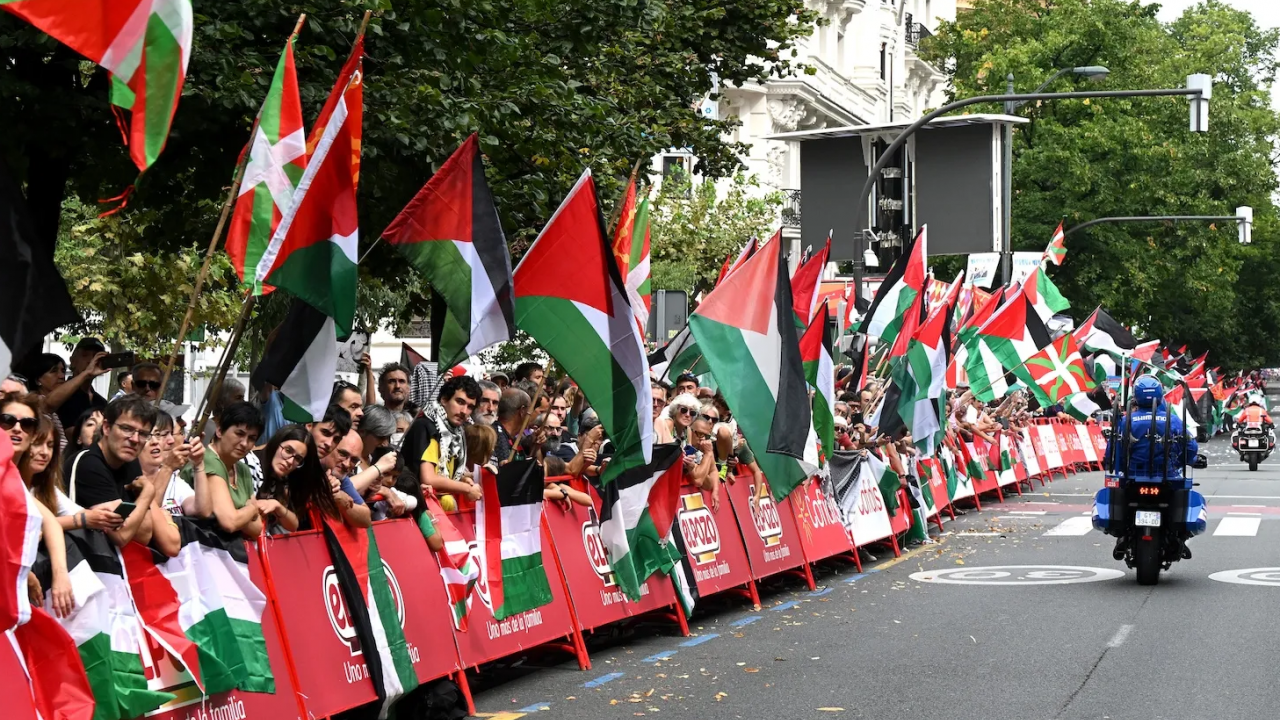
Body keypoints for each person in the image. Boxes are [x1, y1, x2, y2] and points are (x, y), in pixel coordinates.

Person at [1106, 375, 1199, 558]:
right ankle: (1179, 538)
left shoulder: (1126, 420)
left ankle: (1124, 536)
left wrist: (1112, 463)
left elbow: (1113, 450)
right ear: (1160, 395)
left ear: (1136, 397)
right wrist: (1189, 460)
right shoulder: (1173, 420)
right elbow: (1190, 446)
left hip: (1132, 476)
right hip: (1167, 476)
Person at [4, 394, 75, 618]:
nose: (17, 429)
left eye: (27, 424)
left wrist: (61, 575)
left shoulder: (14, 480)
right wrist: (22, 572)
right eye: (7, 421)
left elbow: (51, 522)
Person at [64, 395, 158, 546]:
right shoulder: (88, 464)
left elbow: (145, 533)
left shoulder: (130, 460)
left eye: (143, 434)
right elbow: (122, 535)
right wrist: (147, 493)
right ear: (107, 428)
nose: (134, 439)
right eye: (127, 429)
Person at [406, 376, 482, 502]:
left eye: (470, 407)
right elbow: (428, 479)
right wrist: (466, 489)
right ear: (444, 399)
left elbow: (445, 475)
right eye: (460, 402)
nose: (464, 411)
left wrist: (463, 480)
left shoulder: (457, 432)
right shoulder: (426, 426)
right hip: (419, 507)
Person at [200, 402, 265, 538]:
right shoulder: (207, 460)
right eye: (239, 433)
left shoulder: (243, 469)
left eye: (252, 438)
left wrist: (236, 514)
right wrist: (253, 508)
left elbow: (257, 529)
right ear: (219, 431)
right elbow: (230, 522)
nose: (244, 443)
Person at [253, 426, 311, 534]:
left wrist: (277, 506)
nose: (290, 461)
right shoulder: (251, 464)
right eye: (288, 451)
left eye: (298, 459)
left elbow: (293, 526)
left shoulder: (282, 478)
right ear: (275, 444)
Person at [322, 430, 373, 528]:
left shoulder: (341, 478)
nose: (346, 464)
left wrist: (343, 503)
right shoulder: (306, 463)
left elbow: (366, 519)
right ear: (330, 446)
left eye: (354, 460)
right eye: (342, 454)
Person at [493, 387, 531, 464]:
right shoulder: (496, 436)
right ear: (522, 411)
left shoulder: (514, 438)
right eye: (530, 409)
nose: (531, 414)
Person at [62, 408, 103, 477]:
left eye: (103, 424)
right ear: (79, 438)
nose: (98, 428)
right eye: (91, 424)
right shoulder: (75, 465)